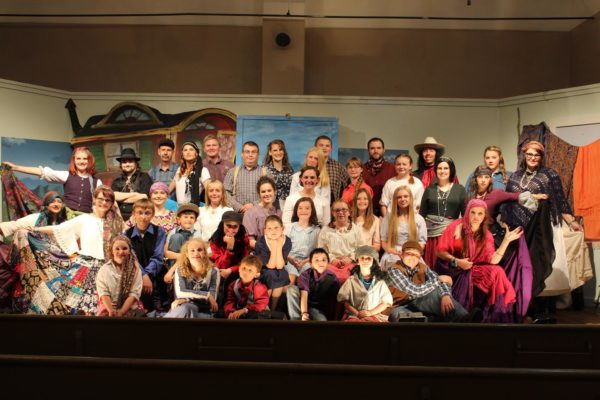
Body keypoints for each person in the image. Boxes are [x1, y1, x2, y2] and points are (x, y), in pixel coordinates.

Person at [503, 140, 582, 321]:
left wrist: (571, 222)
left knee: (539, 265)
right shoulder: (515, 176)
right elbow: (509, 201)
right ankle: (525, 310)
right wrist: (506, 222)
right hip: (519, 229)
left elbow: (560, 201)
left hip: (542, 228)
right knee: (522, 267)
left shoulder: (549, 175)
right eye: (529, 154)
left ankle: (543, 312)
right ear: (524, 155)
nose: (532, 158)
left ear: (541, 157)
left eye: (536, 155)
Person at [31, 185, 124, 314]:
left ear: (112, 203)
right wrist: (35, 230)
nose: (104, 203)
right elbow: (59, 229)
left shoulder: (116, 223)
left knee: (107, 307)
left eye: (108, 200)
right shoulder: (84, 219)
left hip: (109, 268)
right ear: (94, 199)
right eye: (101, 199)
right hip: (88, 267)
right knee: (85, 307)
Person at [436, 199, 522, 322]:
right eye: (473, 212)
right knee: (473, 273)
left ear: (484, 216)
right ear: (467, 212)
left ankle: (494, 316)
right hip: (452, 268)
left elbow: (493, 260)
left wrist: (506, 241)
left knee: (497, 272)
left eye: (480, 213)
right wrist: (457, 261)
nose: (476, 216)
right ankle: (466, 315)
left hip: (473, 268)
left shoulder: (486, 234)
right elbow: (440, 252)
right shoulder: (455, 226)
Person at [385, 240, 470, 322]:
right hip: (399, 305)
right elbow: (415, 291)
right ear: (402, 255)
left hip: (419, 301)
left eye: (416, 255)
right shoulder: (394, 270)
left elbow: (441, 281)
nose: (412, 258)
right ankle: (430, 322)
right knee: (405, 318)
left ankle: (466, 319)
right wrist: (439, 280)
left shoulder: (423, 267)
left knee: (439, 294)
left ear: (419, 258)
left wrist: (445, 295)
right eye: (409, 254)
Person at [3, 147, 102, 213]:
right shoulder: (66, 175)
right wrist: (16, 167)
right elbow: (42, 172)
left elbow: (100, 203)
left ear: (89, 160)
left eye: (85, 159)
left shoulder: (96, 182)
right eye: (78, 158)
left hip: (86, 218)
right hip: (66, 217)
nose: (81, 161)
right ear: (74, 160)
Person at [467, 165, 546, 247]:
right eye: (480, 177)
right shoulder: (471, 198)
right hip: (474, 236)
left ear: (490, 179)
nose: (483, 180)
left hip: (491, 235)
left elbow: (516, 196)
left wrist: (535, 196)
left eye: (486, 177)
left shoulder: (496, 194)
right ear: (475, 179)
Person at [419, 156, 466, 268]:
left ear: (451, 170)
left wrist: (459, 228)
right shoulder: (429, 190)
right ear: (436, 170)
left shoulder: (459, 189)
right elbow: (421, 215)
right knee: (432, 266)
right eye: (439, 168)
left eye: (446, 168)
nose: (442, 171)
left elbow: (465, 215)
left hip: (450, 235)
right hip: (431, 236)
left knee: (448, 266)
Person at [124, 199, 167, 314]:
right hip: (135, 275)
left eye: (147, 213)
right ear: (133, 214)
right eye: (140, 213)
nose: (143, 217)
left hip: (155, 275)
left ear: (152, 214)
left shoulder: (159, 232)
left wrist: (147, 275)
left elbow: (157, 257)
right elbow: (131, 258)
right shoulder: (127, 234)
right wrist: (143, 275)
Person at [164, 238, 219, 319]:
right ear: (186, 254)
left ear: (205, 252)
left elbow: (212, 299)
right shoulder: (180, 269)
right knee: (185, 309)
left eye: (199, 250)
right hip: (184, 308)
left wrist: (187, 299)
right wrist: (206, 295)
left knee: (187, 308)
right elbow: (180, 293)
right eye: (192, 250)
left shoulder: (214, 271)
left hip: (204, 311)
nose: (196, 253)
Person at [337, 245, 393, 322]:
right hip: (355, 315)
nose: (365, 261)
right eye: (362, 258)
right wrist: (357, 313)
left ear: (373, 261)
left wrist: (370, 313)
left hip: (375, 315)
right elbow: (344, 301)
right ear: (358, 261)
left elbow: (385, 303)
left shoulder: (380, 282)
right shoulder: (351, 281)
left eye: (368, 258)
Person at [96, 235, 144, 317]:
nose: (121, 252)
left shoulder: (135, 270)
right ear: (112, 251)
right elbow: (103, 292)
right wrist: (111, 311)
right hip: (108, 309)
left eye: (124, 248)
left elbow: (134, 294)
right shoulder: (104, 269)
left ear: (129, 251)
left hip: (129, 309)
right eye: (117, 249)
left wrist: (121, 312)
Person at [380, 186, 427, 270]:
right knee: (396, 266)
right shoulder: (388, 218)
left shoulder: (419, 219)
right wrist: (393, 251)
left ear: (410, 198)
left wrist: (410, 253)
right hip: (393, 254)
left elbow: (421, 243)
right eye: (399, 197)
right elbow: (384, 242)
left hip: (413, 254)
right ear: (395, 200)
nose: (402, 199)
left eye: (405, 196)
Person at [287, 248, 340, 321]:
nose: (320, 263)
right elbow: (304, 295)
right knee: (292, 289)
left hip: (316, 308)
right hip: (302, 301)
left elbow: (334, 302)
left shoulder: (332, 279)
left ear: (328, 263)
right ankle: (296, 320)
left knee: (322, 321)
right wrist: (304, 313)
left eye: (323, 260)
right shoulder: (305, 275)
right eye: (316, 260)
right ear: (311, 264)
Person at [318, 200, 363, 284]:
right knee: (327, 278)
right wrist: (332, 259)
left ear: (349, 212)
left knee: (352, 277)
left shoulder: (356, 230)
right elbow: (321, 250)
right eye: (337, 210)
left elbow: (361, 249)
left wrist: (351, 258)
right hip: (331, 264)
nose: (341, 212)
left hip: (351, 263)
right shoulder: (325, 230)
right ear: (333, 213)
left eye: (344, 210)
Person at [254, 215, 292, 310]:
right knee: (271, 274)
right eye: (269, 229)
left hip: (278, 269)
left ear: (282, 229)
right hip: (262, 269)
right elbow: (270, 265)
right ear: (265, 231)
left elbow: (279, 266)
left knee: (282, 273)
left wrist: (278, 245)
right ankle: (264, 306)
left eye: (276, 228)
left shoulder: (287, 241)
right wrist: (275, 245)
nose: (273, 231)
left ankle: (273, 308)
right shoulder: (261, 242)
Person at [208, 211, 250, 294]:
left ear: (239, 227)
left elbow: (245, 261)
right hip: (219, 270)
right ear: (223, 224)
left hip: (238, 270)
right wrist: (229, 249)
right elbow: (220, 265)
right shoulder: (215, 240)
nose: (231, 230)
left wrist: (230, 270)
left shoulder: (244, 239)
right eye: (228, 226)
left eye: (235, 227)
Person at [224, 141, 271, 213]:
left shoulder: (266, 173)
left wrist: (254, 205)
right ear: (242, 154)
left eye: (253, 152)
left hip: (260, 214)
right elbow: (225, 192)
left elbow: (272, 194)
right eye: (247, 152)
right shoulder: (232, 172)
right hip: (237, 214)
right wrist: (239, 207)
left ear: (258, 155)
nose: (250, 154)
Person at [0, 191, 68, 238]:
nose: (56, 204)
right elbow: (12, 226)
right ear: (46, 205)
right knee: (22, 232)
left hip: (60, 253)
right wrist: (35, 229)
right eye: (52, 202)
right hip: (38, 253)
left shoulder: (64, 222)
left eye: (59, 202)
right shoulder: (36, 218)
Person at [283, 166, 331, 232]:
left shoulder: (324, 201)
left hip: (318, 236)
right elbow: (286, 224)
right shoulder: (291, 199)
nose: (309, 180)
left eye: (312, 177)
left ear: (318, 180)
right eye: (306, 177)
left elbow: (326, 226)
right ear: (301, 179)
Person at [285, 197, 321, 285]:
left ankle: (303, 291)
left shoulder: (317, 230)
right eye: (300, 208)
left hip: (307, 261)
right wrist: (289, 258)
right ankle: (291, 289)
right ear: (296, 210)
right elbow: (282, 247)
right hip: (290, 260)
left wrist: (306, 261)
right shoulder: (290, 227)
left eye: (307, 208)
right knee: (292, 277)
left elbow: (318, 251)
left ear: (312, 211)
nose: (303, 211)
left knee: (306, 278)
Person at [111, 148, 153, 221]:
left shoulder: (144, 177)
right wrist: (135, 194)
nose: (127, 164)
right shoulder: (117, 180)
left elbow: (144, 196)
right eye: (124, 162)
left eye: (130, 161)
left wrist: (121, 199)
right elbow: (113, 196)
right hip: (120, 218)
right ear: (121, 165)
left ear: (136, 163)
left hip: (140, 217)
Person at [223, 255, 271, 319]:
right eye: (244, 268)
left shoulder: (259, 287)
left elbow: (261, 305)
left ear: (257, 275)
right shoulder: (233, 285)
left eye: (250, 270)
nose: (245, 272)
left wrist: (245, 310)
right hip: (240, 314)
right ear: (239, 269)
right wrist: (231, 312)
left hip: (256, 316)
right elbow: (230, 301)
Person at [243, 176, 281, 248]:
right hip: (258, 251)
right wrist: (266, 249)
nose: (266, 194)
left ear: (274, 192)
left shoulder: (279, 213)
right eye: (263, 192)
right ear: (259, 194)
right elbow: (250, 240)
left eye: (269, 190)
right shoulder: (250, 213)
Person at [363, 137, 396, 217]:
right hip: (366, 213)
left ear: (383, 150)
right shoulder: (362, 169)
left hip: (387, 214)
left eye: (378, 148)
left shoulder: (393, 169)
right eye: (372, 148)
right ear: (368, 150)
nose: (376, 151)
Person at [170, 141, 211, 205]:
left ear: (196, 153)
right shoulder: (179, 170)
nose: (188, 152)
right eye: (185, 150)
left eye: (191, 149)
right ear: (182, 154)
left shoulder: (203, 170)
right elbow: (168, 190)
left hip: (193, 207)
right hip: (179, 208)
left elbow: (210, 190)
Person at [164, 204, 201, 270]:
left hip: (190, 262)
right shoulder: (173, 231)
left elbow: (195, 253)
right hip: (174, 262)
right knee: (176, 237)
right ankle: (174, 271)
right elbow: (166, 253)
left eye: (192, 217)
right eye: (186, 217)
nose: (189, 220)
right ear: (178, 219)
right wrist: (181, 256)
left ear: (195, 221)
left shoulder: (197, 233)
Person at [315, 135, 350, 202]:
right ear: (315, 148)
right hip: (312, 204)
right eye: (321, 145)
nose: (324, 148)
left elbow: (348, 185)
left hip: (332, 204)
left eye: (327, 146)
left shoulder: (338, 167)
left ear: (331, 149)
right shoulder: (311, 164)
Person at [263, 139, 294, 209]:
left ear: (284, 152)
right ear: (270, 152)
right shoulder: (264, 170)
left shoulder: (289, 170)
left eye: (280, 150)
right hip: (271, 207)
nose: (278, 152)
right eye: (275, 150)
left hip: (288, 206)